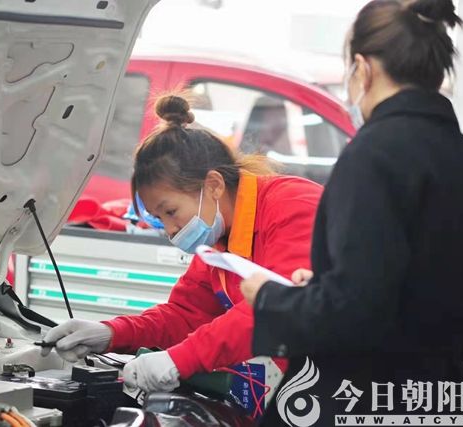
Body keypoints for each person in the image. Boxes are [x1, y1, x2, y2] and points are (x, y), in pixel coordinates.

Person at [240, 0, 463, 425]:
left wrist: (272, 298)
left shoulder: (373, 156)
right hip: (442, 402)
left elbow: (356, 309)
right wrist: (325, 288)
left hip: (358, 399)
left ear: (363, 69)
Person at [41, 94, 323, 405]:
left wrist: (179, 359)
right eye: (159, 219)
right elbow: (185, 315)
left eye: (171, 211)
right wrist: (111, 333)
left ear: (213, 185)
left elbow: (279, 307)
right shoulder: (220, 238)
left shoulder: (294, 208)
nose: (170, 230)